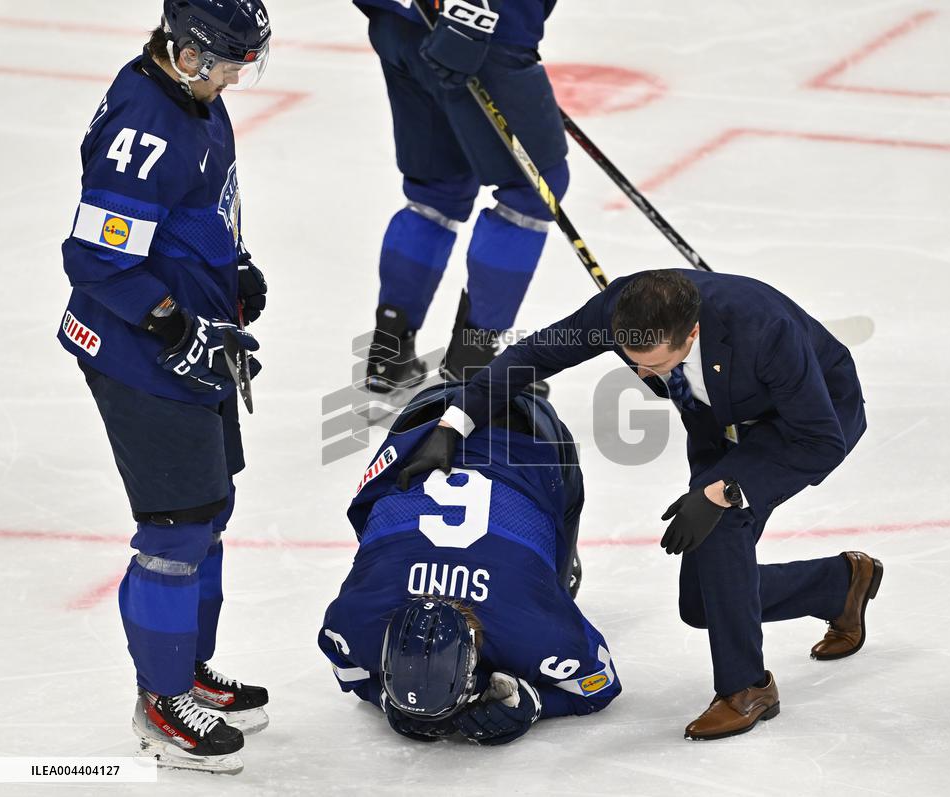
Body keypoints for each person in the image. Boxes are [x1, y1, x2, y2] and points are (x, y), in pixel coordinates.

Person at [399, 268, 884, 741]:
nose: (643, 375)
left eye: (655, 365)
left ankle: (747, 689)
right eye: (633, 361)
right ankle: (838, 585)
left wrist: (721, 491)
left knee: (720, 527)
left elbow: (822, 441)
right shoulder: (619, 311)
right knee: (700, 603)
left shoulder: (764, 331)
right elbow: (535, 354)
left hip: (804, 424)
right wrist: (453, 424)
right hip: (719, 423)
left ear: (691, 333)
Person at [57, 0, 274, 774]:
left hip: (191, 334)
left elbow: (196, 213)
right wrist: (175, 325)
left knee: (212, 507)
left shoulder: (195, 100)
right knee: (177, 527)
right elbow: (97, 259)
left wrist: (232, 268)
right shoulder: (144, 128)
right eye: (228, 64)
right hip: (135, 349)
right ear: (184, 53)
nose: (236, 77)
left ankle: (185, 670)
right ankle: (160, 698)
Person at [319, 384, 621, 744]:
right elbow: (596, 686)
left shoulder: (533, 629)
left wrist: (536, 702)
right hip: (431, 432)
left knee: (559, 583)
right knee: (374, 531)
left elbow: (601, 685)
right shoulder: (354, 620)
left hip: (513, 441)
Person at [352, 0, 568, 398]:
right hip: (483, 29)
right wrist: (488, 32)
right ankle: (475, 359)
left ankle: (390, 351)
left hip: (398, 26)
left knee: (437, 186)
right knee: (535, 189)